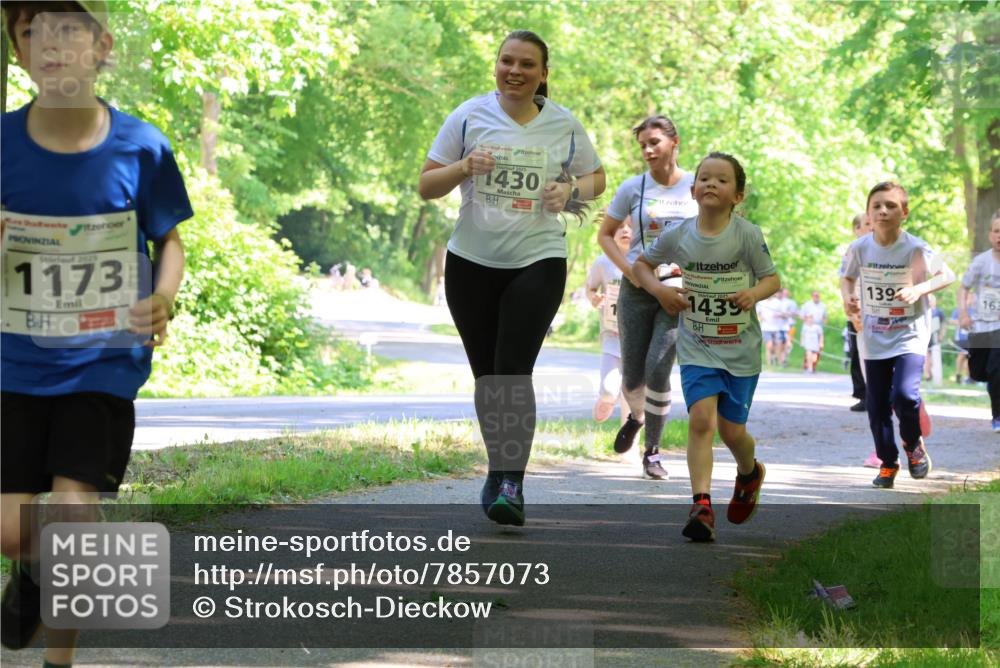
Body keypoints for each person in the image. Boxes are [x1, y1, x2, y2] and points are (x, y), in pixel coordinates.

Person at [1, 1, 192, 662]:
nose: (50, 45)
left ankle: (60, 659)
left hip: (103, 361)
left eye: (67, 30)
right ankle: (29, 571)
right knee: (13, 531)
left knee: (73, 521)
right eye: (32, 32)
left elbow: (169, 240)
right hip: (12, 364)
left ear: (102, 46)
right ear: (18, 53)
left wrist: (162, 297)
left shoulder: (142, 145)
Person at [418, 30, 605, 526]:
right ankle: (497, 466)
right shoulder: (468, 115)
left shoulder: (564, 124)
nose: (515, 71)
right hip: (471, 263)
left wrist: (568, 191)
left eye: (527, 64)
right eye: (507, 61)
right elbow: (426, 186)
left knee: (512, 369)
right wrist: (462, 166)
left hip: (538, 259)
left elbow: (596, 179)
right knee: (487, 377)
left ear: (543, 73)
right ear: (496, 66)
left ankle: (511, 481)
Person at [633, 152, 780, 542]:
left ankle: (750, 472)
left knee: (733, 433)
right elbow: (640, 267)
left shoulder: (747, 234)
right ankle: (702, 505)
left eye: (722, 180)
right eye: (705, 179)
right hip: (697, 346)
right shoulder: (680, 235)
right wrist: (661, 290)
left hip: (740, 350)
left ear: (738, 195)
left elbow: (772, 280)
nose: (712, 184)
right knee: (701, 420)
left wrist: (753, 293)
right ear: (694, 189)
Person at [596, 115, 698, 480]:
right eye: (642, 145)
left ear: (675, 142)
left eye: (654, 142)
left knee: (659, 368)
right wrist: (629, 272)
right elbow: (606, 235)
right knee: (632, 377)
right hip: (637, 289)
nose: (648, 150)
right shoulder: (633, 187)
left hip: (676, 291)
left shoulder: (695, 186)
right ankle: (636, 416)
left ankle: (652, 452)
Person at [841, 182, 955, 489]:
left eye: (891, 205)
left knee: (904, 395)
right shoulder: (859, 248)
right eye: (876, 205)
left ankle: (913, 445)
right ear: (868, 213)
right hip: (874, 335)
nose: (882, 210)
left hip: (909, 332)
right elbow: (847, 277)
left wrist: (919, 288)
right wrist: (849, 303)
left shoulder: (915, 247)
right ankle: (888, 463)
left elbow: (948, 275)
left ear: (904, 213)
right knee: (876, 404)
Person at [586, 217, 632, 425]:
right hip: (612, 336)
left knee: (632, 394)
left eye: (631, 227)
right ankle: (607, 399)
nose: (625, 230)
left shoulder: (648, 261)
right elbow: (591, 288)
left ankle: (628, 442)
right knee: (608, 390)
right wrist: (594, 298)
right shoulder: (603, 262)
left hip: (639, 339)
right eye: (620, 226)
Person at [959, 209, 1000, 432]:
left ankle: (998, 416)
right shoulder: (981, 262)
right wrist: (963, 313)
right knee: (978, 371)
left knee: (996, 369)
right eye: (996, 231)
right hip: (982, 325)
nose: (999, 236)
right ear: (990, 234)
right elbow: (964, 287)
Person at [845, 212, 872, 412]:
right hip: (858, 310)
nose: (871, 227)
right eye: (866, 223)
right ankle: (863, 394)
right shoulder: (852, 251)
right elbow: (844, 279)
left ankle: (882, 395)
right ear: (857, 229)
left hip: (881, 311)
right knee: (857, 353)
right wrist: (851, 307)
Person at [757, 293, 785, 366]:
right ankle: (769, 364)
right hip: (766, 328)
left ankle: (779, 363)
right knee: (769, 346)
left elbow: (784, 314)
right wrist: (761, 317)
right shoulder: (761, 302)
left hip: (776, 328)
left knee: (778, 347)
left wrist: (779, 315)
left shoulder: (778, 302)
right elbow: (758, 313)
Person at [777, 288, 798, 365]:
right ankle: (781, 360)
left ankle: (785, 358)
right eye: (784, 293)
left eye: (787, 293)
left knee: (789, 343)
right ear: (782, 293)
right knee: (781, 344)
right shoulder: (779, 302)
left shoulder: (793, 302)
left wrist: (791, 313)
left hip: (790, 325)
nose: (785, 294)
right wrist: (782, 315)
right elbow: (775, 313)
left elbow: (797, 313)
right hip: (780, 326)